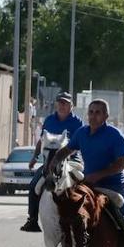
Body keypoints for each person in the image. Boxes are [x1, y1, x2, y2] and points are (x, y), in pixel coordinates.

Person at [49, 98, 124, 247]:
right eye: (91, 112)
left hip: (113, 186)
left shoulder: (115, 135)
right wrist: (54, 161)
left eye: (98, 112)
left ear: (106, 116)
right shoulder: (82, 132)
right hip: (89, 186)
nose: (93, 116)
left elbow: (121, 164)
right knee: (70, 213)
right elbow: (67, 149)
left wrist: (99, 175)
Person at [20, 92, 84, 232]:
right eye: (60, 102)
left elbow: (80, 142)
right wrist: (35, 157)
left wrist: (66, 155)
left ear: (71, 106)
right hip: (49, 162)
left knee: (87, 183)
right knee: (33, 186)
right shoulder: (49, 120)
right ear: (56, 104)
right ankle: (32, 219)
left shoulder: (77, 122)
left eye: (65, 103)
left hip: (72, 159)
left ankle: (87, 218)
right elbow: (41, 141)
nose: (62, 105)